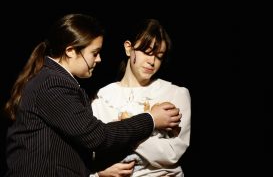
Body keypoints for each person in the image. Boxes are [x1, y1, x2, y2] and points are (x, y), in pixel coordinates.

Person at [3, 14, 182, 177]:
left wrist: (97, 171)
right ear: (70, 51)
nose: (98, 59)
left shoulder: (54, 81)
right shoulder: (52, 83)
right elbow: (97, 137)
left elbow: (66, 149)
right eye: (94, 53)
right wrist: (151, 119)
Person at [91, 19, 191, 177]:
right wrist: (98, 173)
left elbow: (173, 153)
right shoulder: (103, 98)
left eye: (159, 56)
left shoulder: (174, 93)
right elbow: (94, 153)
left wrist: (125, 131)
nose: (152, 61)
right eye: (147, 52)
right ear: (128, 48)